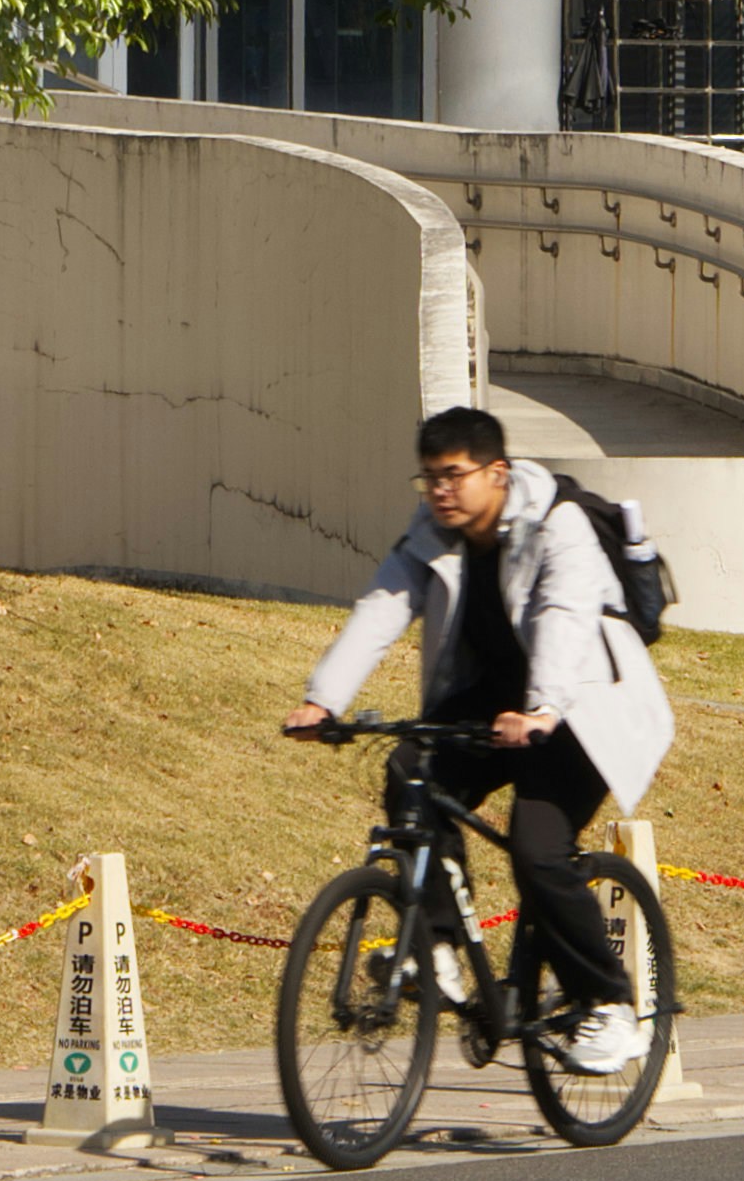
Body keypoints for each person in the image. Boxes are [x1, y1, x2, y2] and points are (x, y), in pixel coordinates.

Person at [285, 401, 671, 1077]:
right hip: (493, 702)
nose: (440, 489)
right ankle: (432, 945)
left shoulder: (560, 524)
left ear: (497, 472)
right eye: (429, 476)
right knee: (412, 769)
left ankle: (608, 1001)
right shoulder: (435, 529)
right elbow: (383, 606)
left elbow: (563, 617)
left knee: (538, 850)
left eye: (454, 474)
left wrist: (544, 709)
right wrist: (324, 699)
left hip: (580, 707)